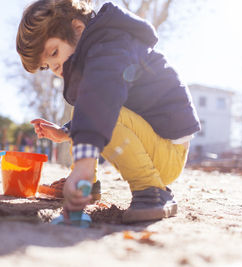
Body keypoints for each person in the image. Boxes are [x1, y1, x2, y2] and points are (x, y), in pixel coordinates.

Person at [16, 0, 200, 223]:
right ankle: (88, 184)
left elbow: (104, 99)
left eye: (54, 52)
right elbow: (101, 101)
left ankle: (152, 191)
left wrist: (83, 164)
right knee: (87, 106)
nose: (54, 68)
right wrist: (65, 132)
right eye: (47, 65)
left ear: (78, 29)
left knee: (94, 107)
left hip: (166, 152)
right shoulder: (100, 49)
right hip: (150, 139)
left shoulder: (111, 45)